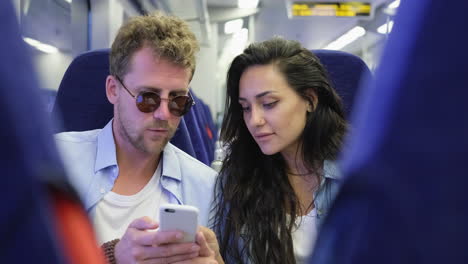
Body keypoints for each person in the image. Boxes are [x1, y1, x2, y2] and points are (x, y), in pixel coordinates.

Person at [55, 12, 221, 264]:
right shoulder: (55, 162)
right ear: (113, 90)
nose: (164, 114)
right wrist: (113, 257)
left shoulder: (207, 187)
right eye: (148, 97)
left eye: (178, 101)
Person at [211, 37, 348, 264]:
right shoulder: (237, 179)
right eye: (245, 107)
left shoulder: (357, 173)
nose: (254, 120)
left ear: (310, 100)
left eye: (269, 103)